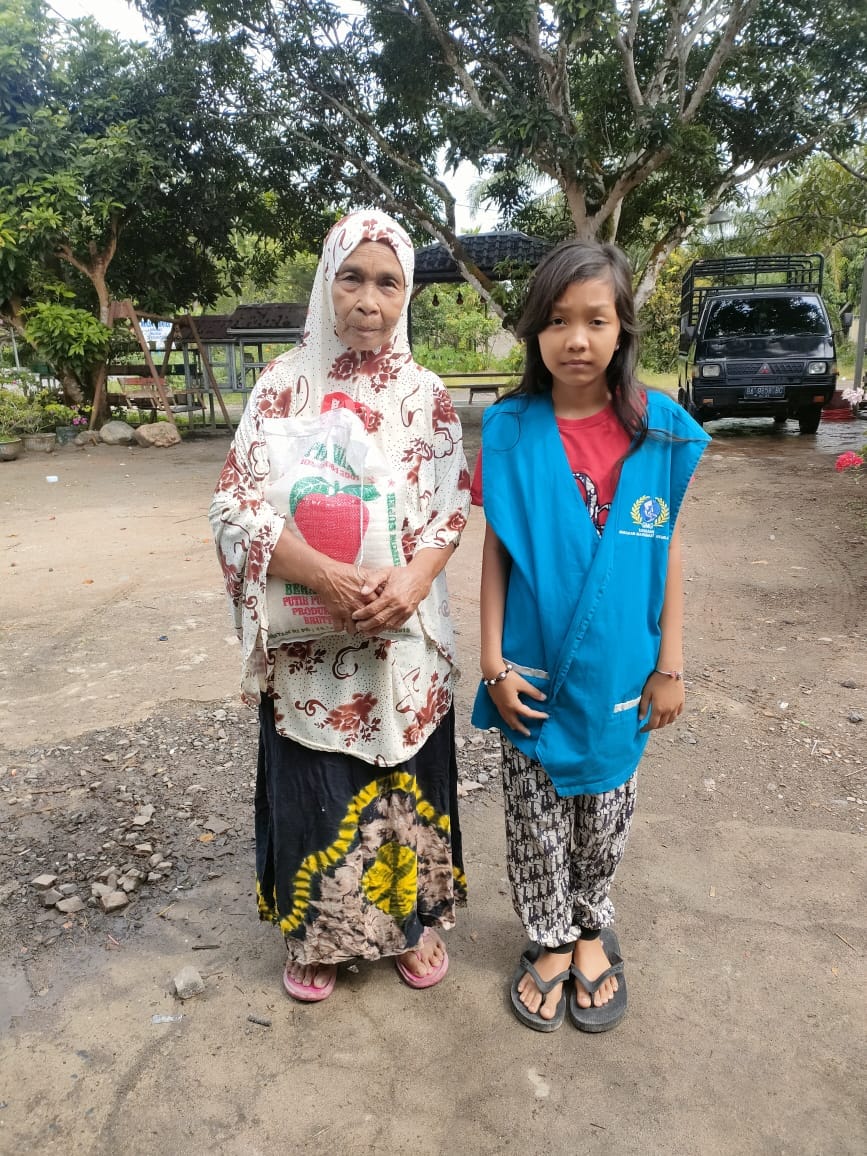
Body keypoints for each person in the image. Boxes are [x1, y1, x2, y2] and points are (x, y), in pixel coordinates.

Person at [210, 210, 471, 1002]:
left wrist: (415, 581)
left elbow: (449, 509)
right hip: (310, 648)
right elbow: (233, 506)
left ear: (406, 294)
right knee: (315, 780)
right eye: (351, 277)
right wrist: (323, 575)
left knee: (405, 776)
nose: (368, 299)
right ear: (326, 282)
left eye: (387, 282)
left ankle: (410, 928)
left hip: (401, 641)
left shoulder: (426, 396)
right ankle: (316, 935)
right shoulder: (283, 385)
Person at [470, 239, 710, 1032]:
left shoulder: (658, 430)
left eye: (595, 320)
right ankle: (546, 939)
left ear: (621, 329)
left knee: (605, 811)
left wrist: (670, 665)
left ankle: (586, 930)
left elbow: (666, 548)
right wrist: (491, 661)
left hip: (621, 670)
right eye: (557, 321)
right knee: (533, 816)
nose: (575, 339)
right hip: (530, 669)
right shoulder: (509, 430)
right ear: (535, 332)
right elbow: (497, 551)